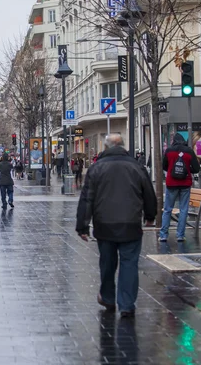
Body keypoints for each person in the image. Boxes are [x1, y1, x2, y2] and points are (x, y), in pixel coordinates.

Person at [76, 134, 157, 318]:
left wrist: (82, 226)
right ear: (123, 146)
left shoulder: (97, 168)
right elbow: (149, 193)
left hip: (104, 225)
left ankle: (107, 297)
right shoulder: (136, 166)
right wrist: (150, 216)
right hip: (131, 223)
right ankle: (127, 304)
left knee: (107, 263)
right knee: (129, 263)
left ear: (106, 147)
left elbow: (87, 198)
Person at [160, 133, 201, 242]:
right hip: (185, 184)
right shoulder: (189, 151)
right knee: (184, 210)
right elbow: (196, 169)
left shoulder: (169, 151)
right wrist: (187, 170)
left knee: (168, 209)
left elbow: (164, 166)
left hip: (171, 183)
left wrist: (172, 169)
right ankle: (180, 235)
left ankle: (163, 235)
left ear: (173, 140)